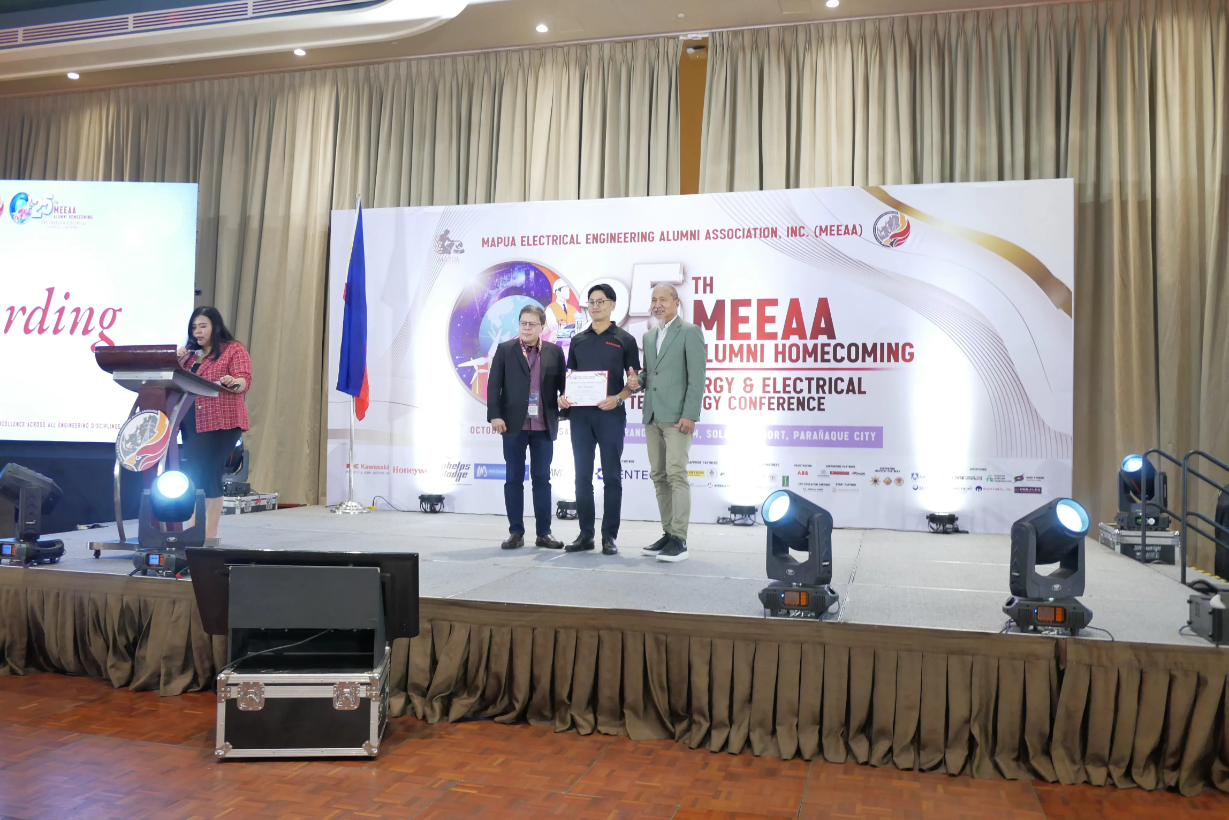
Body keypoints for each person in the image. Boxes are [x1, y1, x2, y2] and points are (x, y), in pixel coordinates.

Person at [563, 284, 640, 555]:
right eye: (591, 302)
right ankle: (586, 535)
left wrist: (618, 398)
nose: (595, 306)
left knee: (612, 477)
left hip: (610, 415)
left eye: (601, 301)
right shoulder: (577, 340)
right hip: (580, 417)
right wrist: (564, 397)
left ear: (612, 305)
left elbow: (633, 383)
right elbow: (571, 378)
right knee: (582, 477)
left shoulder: (625, 340)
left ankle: (609, 536)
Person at [486, 304, 569, 550]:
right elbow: (494, 385)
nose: (527, 328)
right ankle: (516, 532)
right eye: (523, 323)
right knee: (513, 479)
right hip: (513, 425)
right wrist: (494, 415)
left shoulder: (555, 352)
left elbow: (564, 387)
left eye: (532, 324)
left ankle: (544, 533)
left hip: (544, 425)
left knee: (542, 479)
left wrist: (564, 404)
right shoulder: (505, 350)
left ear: (542, 327)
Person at [636, 284, 706, 563]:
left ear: (677, 303)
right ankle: (668, 533)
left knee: (676, 474)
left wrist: (690, 414)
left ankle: (680, 538)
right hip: (652, 415)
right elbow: (649, 375)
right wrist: (636, 380)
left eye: (663, 299)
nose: (658, 304)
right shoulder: (648, 336)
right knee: (659, 475)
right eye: (654, 300)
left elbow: (697, 377)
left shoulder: (690, 331)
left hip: (678, 417)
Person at [175, 306, 252, 543]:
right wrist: (173, 361)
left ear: (215, 327)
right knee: (195, 475)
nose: (197, 331)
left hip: (223, 422)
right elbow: (176, 382)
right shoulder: (188, 356)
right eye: (194, 327)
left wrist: (233, 381)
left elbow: (244, 381)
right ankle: (192, 530)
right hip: (192, 421)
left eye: (203, 326)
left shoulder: (233, 349)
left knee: (211, 473)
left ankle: (210, 534)